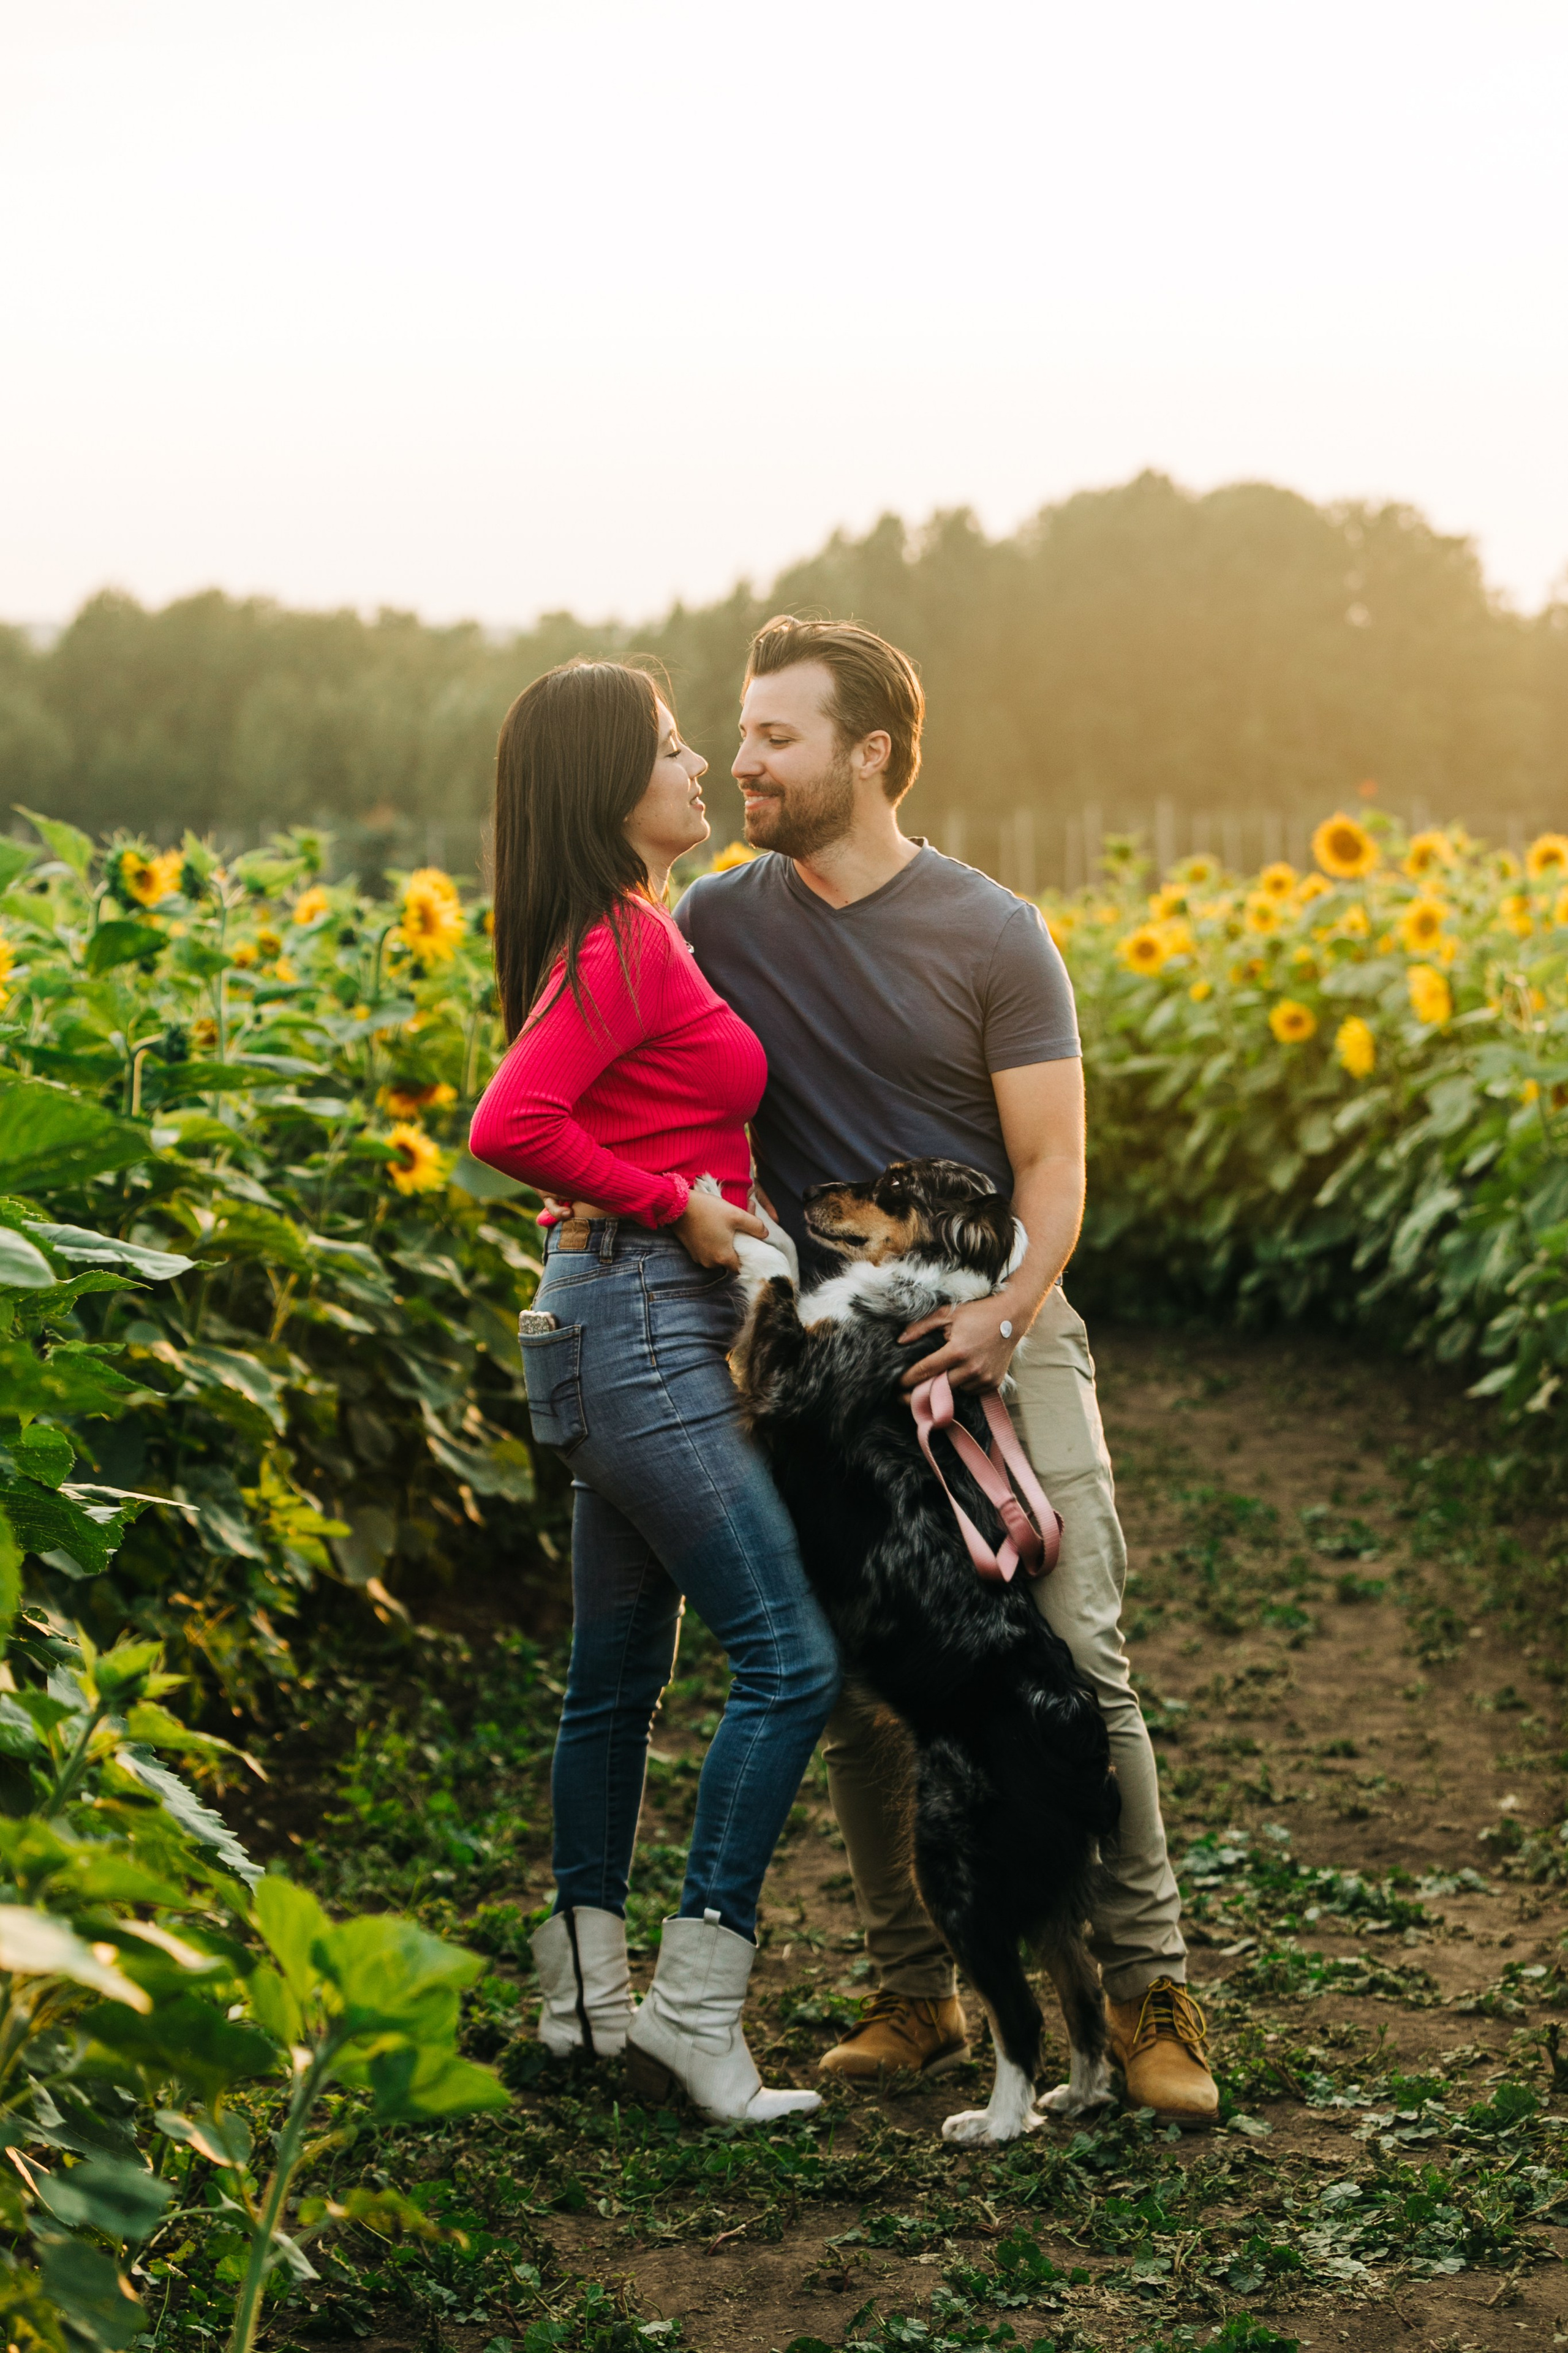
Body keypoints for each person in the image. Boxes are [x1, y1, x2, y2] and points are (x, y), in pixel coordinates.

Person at [673, 616, 1218, 2129]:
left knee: (1072, 1649)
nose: (743, 761)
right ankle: (915, 1990)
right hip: (835, 1369)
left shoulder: (992, 933)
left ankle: (1143, 1983)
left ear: (869, 753)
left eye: (774, 737)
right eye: (739, 732)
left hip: (998, 1333)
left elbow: (1052, 1164)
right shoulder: (721, 926)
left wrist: (1012, 1312)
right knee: (865, 1683)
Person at [468, 659, 840, 2124]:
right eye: (675, 749)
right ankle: (691, 2012)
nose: (699, 769)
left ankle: (577, 2010)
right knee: (789, 1657)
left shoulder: (620, 933)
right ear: (606, 786)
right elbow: (513, 1119)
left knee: (615, 1682)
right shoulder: (622, 940)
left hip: (605, 1311)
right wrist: (675, 1208)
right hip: (641, 1315)